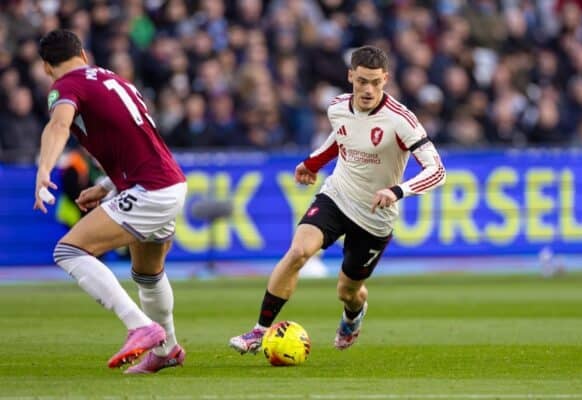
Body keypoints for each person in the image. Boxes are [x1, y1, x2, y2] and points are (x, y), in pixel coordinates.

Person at [229, 45, 446, 353]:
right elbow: (340, 137)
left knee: (348, 291)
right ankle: (259, 331)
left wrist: (397, 191)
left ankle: (353, 315)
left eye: (375, 82)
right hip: (338, 195)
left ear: (386, 79)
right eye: (361, 81)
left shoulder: (401, 120)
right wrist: (312, 163)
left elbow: (437, 170)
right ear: (350, 77)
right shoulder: (337, 107)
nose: (368, 89)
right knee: (298, 253)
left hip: (374, 215)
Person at [33, 30, 187, 374]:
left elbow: (58, 126)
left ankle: (139, 325)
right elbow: (135, 138)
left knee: (68, 251)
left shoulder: (66, 87)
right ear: (83, 54)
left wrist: (44, 168)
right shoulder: (113, 79)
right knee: (148, 274)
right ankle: (167, 350)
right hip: (168, 182)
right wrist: (106, 185)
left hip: (150, 189)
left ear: (46, 67)